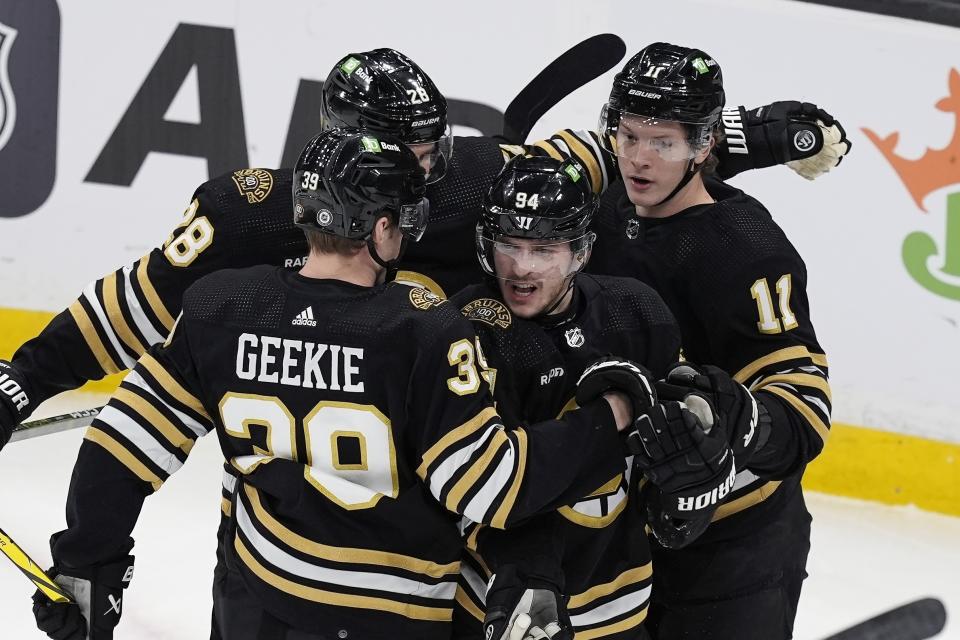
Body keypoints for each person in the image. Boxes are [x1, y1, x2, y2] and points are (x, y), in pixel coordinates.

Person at [0, 45, 849, 453]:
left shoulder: (474, 177)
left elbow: (620, 160)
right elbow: (141, 298)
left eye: (433, 149)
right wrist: (24, 378)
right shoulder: (251, 214)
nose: (427, 175)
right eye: (405, 160)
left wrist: (757, 135)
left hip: (461, 441)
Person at [30, 128, 651, 640]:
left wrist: (88, 566)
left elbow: (123, 442)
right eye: (402, 222)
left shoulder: (221, 305)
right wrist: (611, 415)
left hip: (262, 606)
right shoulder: (427, 332)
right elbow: (491, 489)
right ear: (381, 230)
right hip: (394, 620)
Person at [588, 43, 832, 639]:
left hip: (735, 548)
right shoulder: (604, 206)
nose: (638, 160)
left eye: (663, 143)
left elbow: (807, 407)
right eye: (627, 136)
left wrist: (736, 422)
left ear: (702, 147)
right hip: (621, 538)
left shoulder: (745, 246)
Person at [449, 156, 734, 640]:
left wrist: (688, 487)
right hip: (496, 598)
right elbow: (470, 477)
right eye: (509, 245)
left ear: (580, 252)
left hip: (616, 601)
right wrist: (526, 569)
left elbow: (669, 452)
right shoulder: (469, 328)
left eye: (544, 249)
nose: (520, 267)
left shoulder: (637, 312)